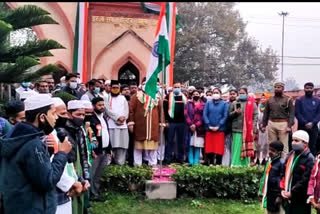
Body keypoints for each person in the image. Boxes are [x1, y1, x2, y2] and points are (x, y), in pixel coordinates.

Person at [0, 94, 72, 214]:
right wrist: (62, 153)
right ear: (42, 117)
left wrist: (47, 153)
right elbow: (47, 181)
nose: (56, 118)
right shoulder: (33, 144)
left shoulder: (16, 136)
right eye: (53, 113)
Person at [56, 100, 91, 214]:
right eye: (78, 114)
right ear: (70, 114)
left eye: (83, 115)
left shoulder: (80, 130)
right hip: (69, 168)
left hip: (78, 167)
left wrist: (86, 177)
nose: (81, 117)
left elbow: (83, 154)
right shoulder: (61, 130)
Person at [52, 97, 83, 214]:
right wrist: (71, 183)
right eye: (62, 113)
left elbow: (68, 163)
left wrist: (78, 179)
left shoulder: (58, 132)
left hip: (67, 185)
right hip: (56, 192)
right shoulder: (47, 136)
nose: (66, 117)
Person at [128, 79, 162, 167]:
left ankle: (153, 163)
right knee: (138, 146)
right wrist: (131, 122)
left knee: (153, 146)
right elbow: (131, 111)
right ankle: (137, 164)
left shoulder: (157, 97)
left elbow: (161, 112)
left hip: (153, 125)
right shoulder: (136, 97)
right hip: (140, 125)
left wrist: (162, 123)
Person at [280, 130, 314, 214]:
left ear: (305, 143)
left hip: (300, 197)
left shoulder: (309, 158)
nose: (293, 143)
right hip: (287, 195)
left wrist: (292, 192)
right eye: (292, 140)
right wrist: (283, 189)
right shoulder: (290, 155)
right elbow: (283, 173)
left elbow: (305, 180)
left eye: (296, 141)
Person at [262, 81, 295, 156]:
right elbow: (266, 113)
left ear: (283, 88)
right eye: (275, 87)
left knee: (283, 145)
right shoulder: (269, 100)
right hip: (271, 123)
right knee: (271, 145)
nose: (276, 89)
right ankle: (272, 162)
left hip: (283, 124)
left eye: (279, 87)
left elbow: (292, 114)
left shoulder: (288, 99)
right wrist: (264, 125)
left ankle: (284, 163)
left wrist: (289, 126)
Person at [89, 97, 111, 200]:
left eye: (103, 105)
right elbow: (91, 136)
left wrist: (109, 149)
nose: (102, 107)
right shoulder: (91, 118)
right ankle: (91, 194)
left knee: (99, 173)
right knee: (92, 173)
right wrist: (92, 149)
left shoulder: (103, 117)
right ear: (93, 106)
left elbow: (106, 133)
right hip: (96, 151)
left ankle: (96, 193)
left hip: (105, 150)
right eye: (99, 105)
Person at [229, 87, 258, 167]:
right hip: (237, 129)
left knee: (246, 148)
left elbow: (255, 115)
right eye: (240, 93)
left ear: (247, 93)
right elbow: (229, 116)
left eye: (243, 93)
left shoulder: (252, 103)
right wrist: (235, 113)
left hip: (248, 130)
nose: (241, 95)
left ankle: (245, 164)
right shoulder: (234, 103)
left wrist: (253, 125)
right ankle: (235, 164)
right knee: (237, 148)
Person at [163, 81, 187, 164]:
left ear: (181, 88)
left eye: (178, 87)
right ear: (172, 88)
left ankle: (180, 158)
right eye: (175, 87)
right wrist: (166, 121)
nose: (177, 88)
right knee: (170, 140)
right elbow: (164, 110)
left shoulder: (184, 97)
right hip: (171, 122)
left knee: (181, 141)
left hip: (182, 123)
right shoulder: (168, 96)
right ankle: (168, 158)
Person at [105, 80, 129, 165]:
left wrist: (124, 118)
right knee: (112, 145)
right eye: (113, 88)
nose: (115, 89)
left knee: (122, 145)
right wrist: (117, 118)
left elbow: (126, 110)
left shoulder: (123, 98)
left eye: (117, 88)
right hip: (112, 125)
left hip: (123, 125)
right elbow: (108, 110)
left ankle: (120, 163)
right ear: (110, 88)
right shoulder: (107, 97)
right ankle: (109, 163)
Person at [203, 88, 229, 165]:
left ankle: (218, 164)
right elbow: (205, 114)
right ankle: (210, 163)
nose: (215, 94)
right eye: (214, 92)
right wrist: (208, 125)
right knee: (209, 147)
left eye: (217, 92)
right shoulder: (208, 103)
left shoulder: (224, 104)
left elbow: (225, 116)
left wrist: (219, 125)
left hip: (219, 129)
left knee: (219, 148)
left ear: (220, 94)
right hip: (209, 129)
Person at [258, 141, 285, 214]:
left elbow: (282, 181)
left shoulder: (282, 164)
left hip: (276, 196)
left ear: (279, 152)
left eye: (273, 150)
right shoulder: (269, 162)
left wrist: (279, 196)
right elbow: (264, 178)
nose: (270, 152)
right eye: (269, 149)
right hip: (269, 194)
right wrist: (261, 192)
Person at [295, 82, 320, 156]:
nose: (309, 89)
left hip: (314, 127)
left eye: (310, 88)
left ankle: (312, 164)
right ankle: (300, 164)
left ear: (313, 89)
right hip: (302, 127)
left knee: (313, 146)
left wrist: (313, 123)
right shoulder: (299, 100)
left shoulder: (317, 100)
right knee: (301, 146)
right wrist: (305, 123)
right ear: (304, 89)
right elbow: (297, 113)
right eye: (307, 88)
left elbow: (319, 114)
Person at [184, 90, 205, 166]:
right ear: (192, 95)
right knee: (190, 145)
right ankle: (191, 162)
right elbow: (186, 114)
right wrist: (190, 124)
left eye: (197, 94)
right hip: (189, 128)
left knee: (197, 146)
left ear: (200, 95)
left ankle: (196, 163)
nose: (195, 95)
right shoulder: (188, 104)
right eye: (194, 94)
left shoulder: (203, 105)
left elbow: (203, 117)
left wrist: (196, 125)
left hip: (199, 128)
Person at [222, 89, 238, 166]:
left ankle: (234, 163)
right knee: (227, 147)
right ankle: (226, 164)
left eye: (234, 94)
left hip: (237, 129)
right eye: (231, 94)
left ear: (237, 95)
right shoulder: (226, 104)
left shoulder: (239, 104)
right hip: (228, 128)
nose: (232, 95)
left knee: (235, 147)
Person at [256, 93, 271, 165]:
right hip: (259, 127)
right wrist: (260, 125)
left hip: (267, 127)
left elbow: (269, 117)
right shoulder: (258, 106)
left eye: (264, 98)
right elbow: (257, 117)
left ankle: (265, 158)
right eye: (262, 98)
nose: (263, 99)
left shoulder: (270, 107)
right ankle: (258, 159)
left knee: (266, 144)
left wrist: (265, 126)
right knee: (258, 144)